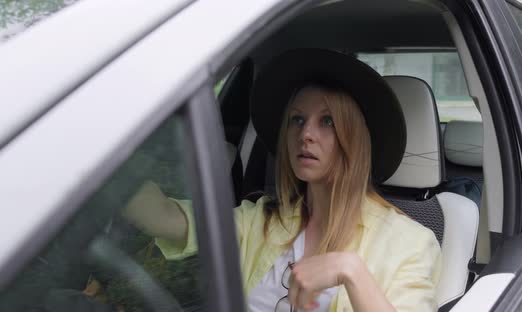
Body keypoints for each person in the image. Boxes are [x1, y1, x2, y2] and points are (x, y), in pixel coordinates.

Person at [123, 49, 441, 312]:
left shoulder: (410, 243)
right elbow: (164, 218)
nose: (305, 135)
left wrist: (351, 271)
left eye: (327, 121)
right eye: (297, 120)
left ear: (354, 139)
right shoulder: (260, 219)